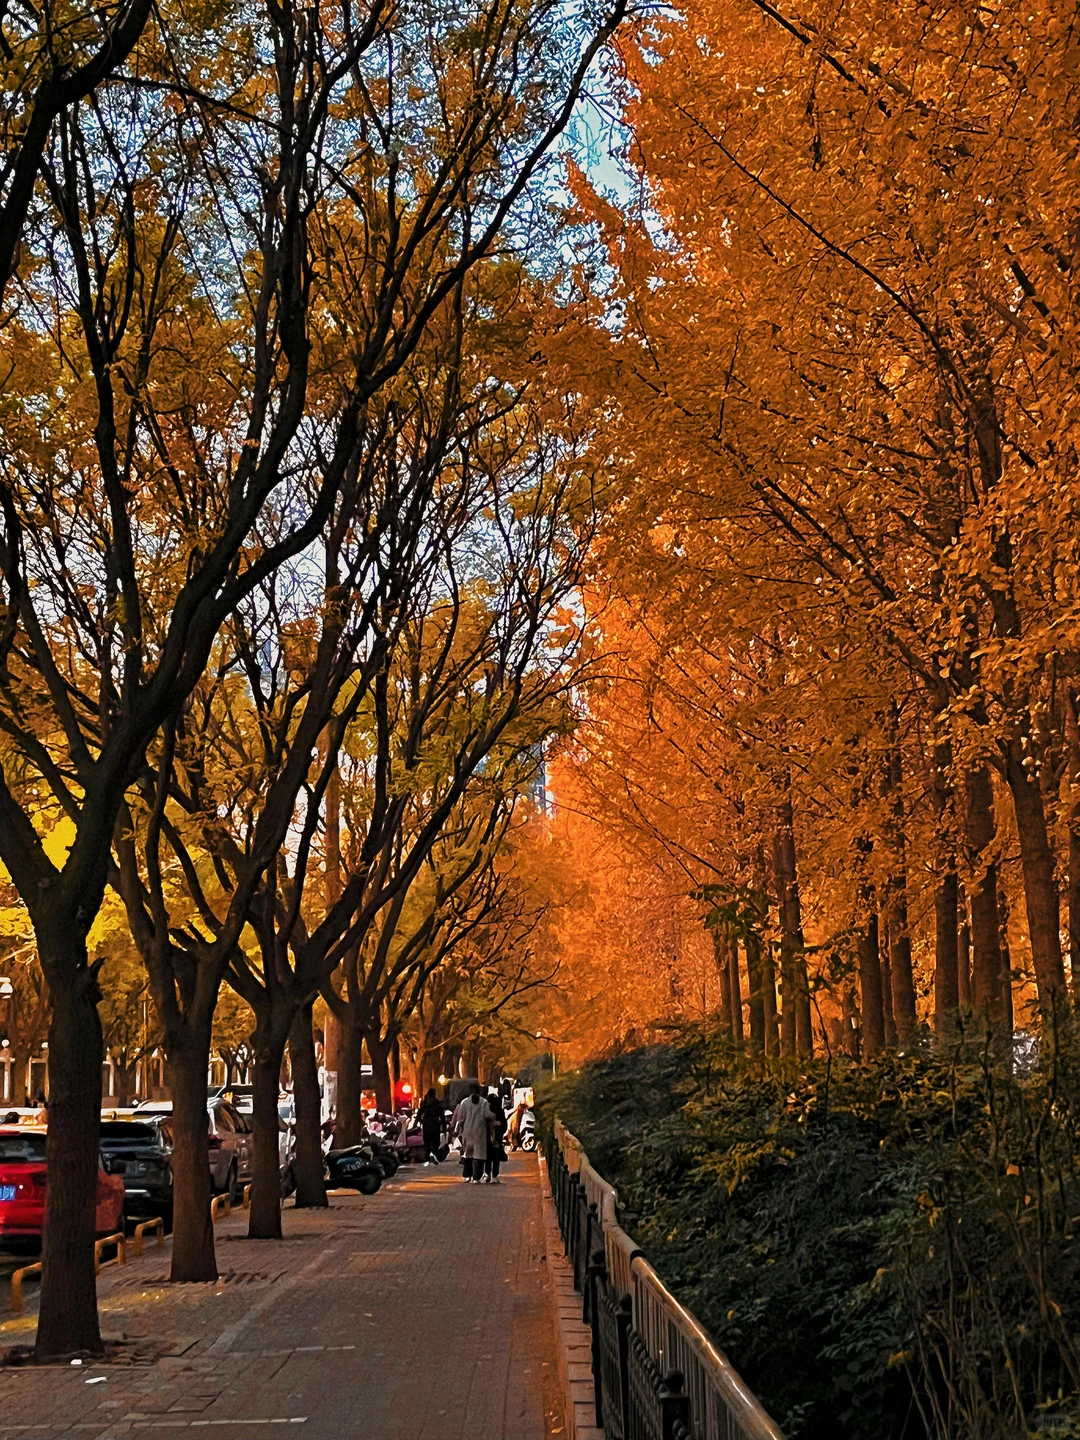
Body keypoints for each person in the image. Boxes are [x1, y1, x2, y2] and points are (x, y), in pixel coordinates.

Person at [455, 1085, 489, 1183]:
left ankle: (467, 1175)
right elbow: (487, 1115)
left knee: (468, 1154)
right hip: (480, 1132)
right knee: (479, 1156)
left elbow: (460, 1119)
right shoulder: (484, 1102)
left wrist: (457, 1130)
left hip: (468, 1132)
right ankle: (476, 1177)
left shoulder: (464, 1103)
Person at [485, 1091, 507, 1184]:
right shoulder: (499, 1111)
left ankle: (487, 1174)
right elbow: (504, 1125)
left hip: (487, 1138)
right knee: (496, 1157)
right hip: (497, 1138)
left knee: (488, 1157)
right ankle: (494, 1175)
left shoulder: (486, 1110)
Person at [417, 1088, 444, 1164]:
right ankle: (434, 1154)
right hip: (435, 1123)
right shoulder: (437, 1102)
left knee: (427, 1140)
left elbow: (419, 1113)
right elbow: (441, 1115)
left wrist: (417, 1122)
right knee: (435, 1141)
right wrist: (444, 1128)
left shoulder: (425, 1102)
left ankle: (428, 1156)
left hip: (426, 1123)